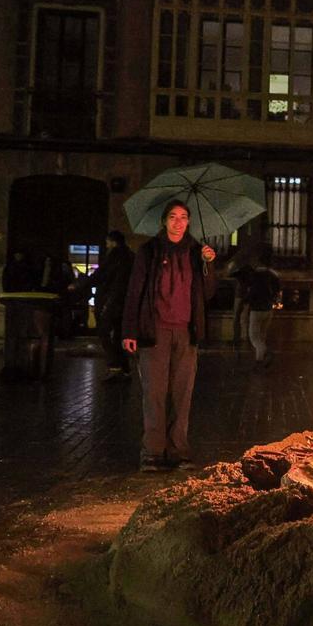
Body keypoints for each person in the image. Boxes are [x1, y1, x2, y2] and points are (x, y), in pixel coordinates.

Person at [122, 201, 218, 472]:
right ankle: (152, 452)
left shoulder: (197, 252)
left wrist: (209, 265)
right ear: (164, 221)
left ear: (189, 222)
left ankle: (178, 450)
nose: (178, 222)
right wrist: (130, 330)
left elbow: (208, 292)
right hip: (155, 331)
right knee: (154, 392)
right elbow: (134, 292)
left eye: (184, 217)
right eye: (173, 217)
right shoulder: (149, 252)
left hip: (186, 331)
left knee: (182, 393)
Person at [68, 231, 135, 382]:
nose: (106, 246)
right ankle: (124, 368)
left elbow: (101, 275)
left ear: (112, 242)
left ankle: (114, 366)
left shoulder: (114, 256)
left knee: (104, 332)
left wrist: (79, 285)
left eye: (107, 243)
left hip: (111, 300)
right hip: (124, 301)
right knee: (118, 334)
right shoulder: (131, 256)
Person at [244, 252, 280, 366]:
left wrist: (246, 303)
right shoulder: (273, 275)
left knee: (254, 337)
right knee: (262, 335)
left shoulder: (254, 275)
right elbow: (277, 290)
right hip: (268, 309)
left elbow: (251, 293)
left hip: (256, 309)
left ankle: (265, 354)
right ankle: (259, 359)